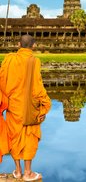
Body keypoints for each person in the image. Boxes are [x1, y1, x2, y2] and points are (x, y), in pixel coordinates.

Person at [0, 35, 51, 181]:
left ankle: (17, 170)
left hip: (13, 105)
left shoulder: (9, 59)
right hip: (29, 107)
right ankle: (28, 173)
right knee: (29, 137)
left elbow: (2, 82)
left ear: (18, 44)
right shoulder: (34, 61)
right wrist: (45, 104)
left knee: (14, 136)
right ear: (33, 46)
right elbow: (37, 87)